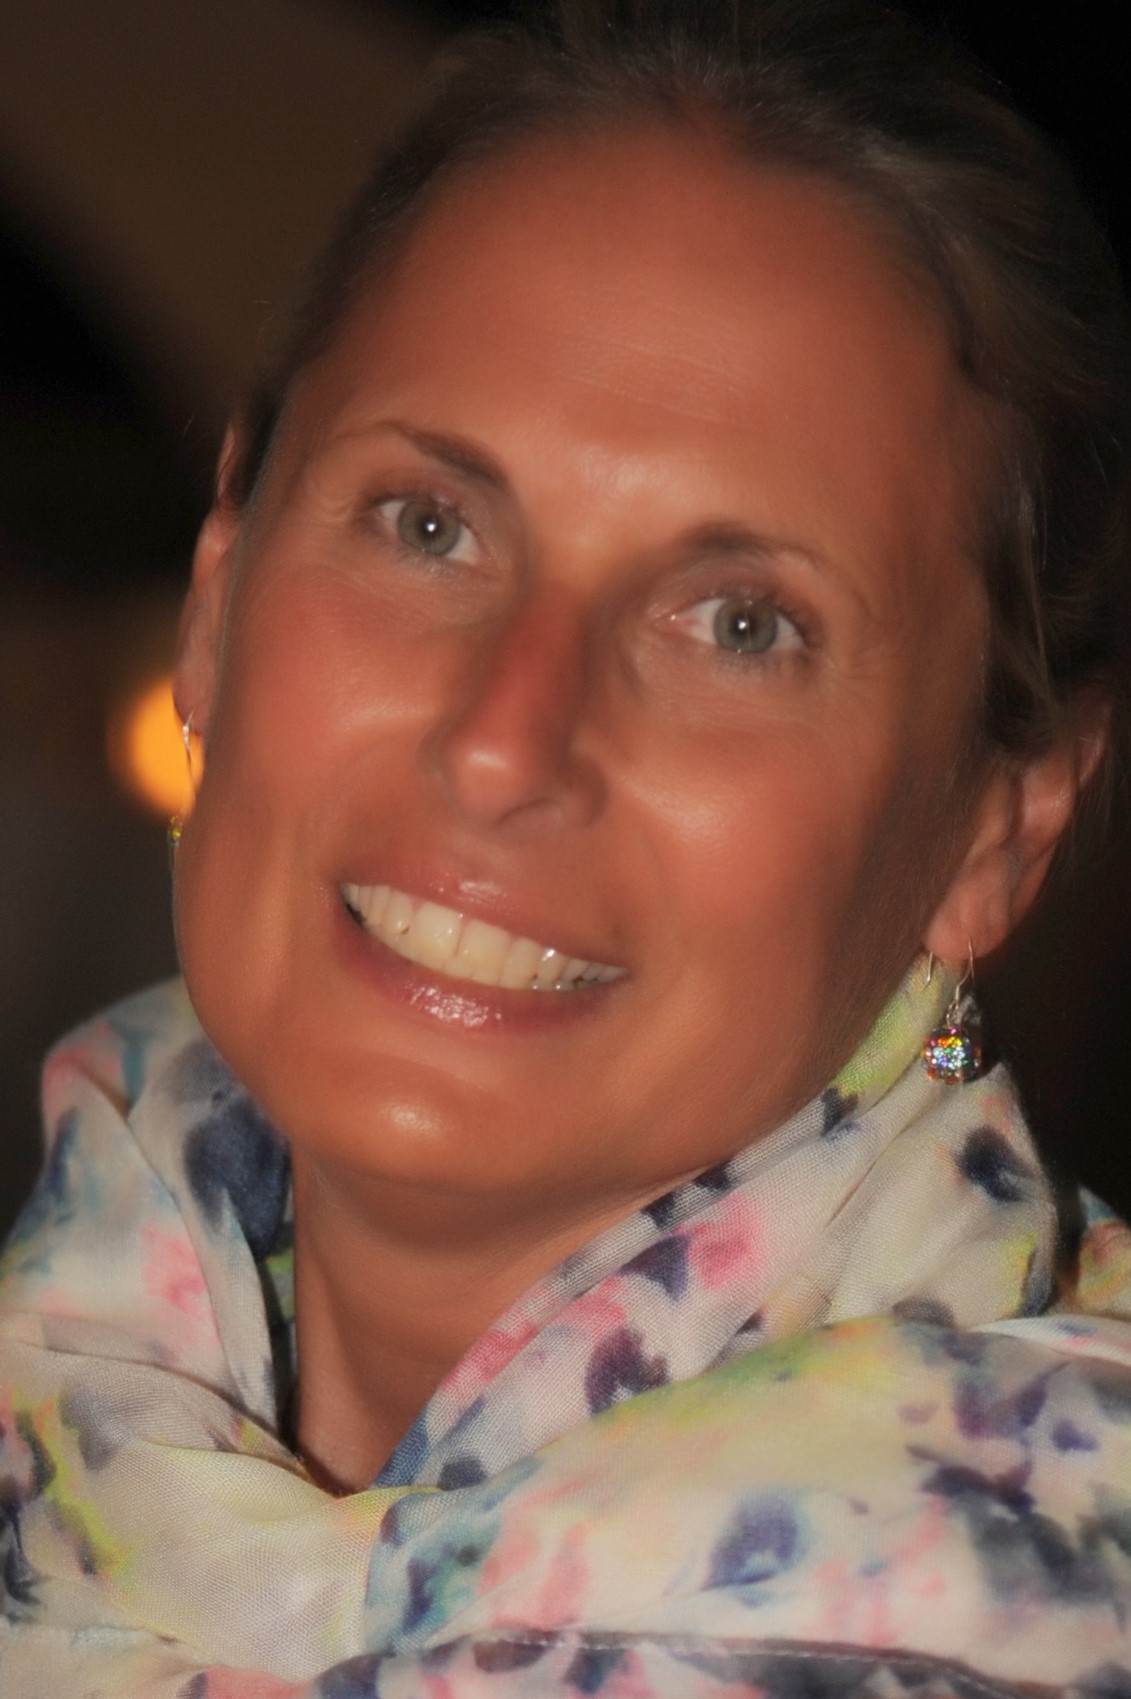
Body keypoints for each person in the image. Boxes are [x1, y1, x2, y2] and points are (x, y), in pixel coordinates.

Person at [2, 0, 1131, 1692]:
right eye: (429, 524)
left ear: (999, 826)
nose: (503, 740)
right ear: (222, 593)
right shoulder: (55, 1400)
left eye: (742, 624)